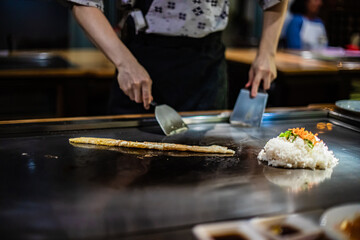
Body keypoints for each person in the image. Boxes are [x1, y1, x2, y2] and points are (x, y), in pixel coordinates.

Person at [66, 0, 288, 114]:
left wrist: (267, 53)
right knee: (130, 168)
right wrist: (125, 62)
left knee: (206, 169)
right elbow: (84, 3)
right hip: (141, 59)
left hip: (206, 64)